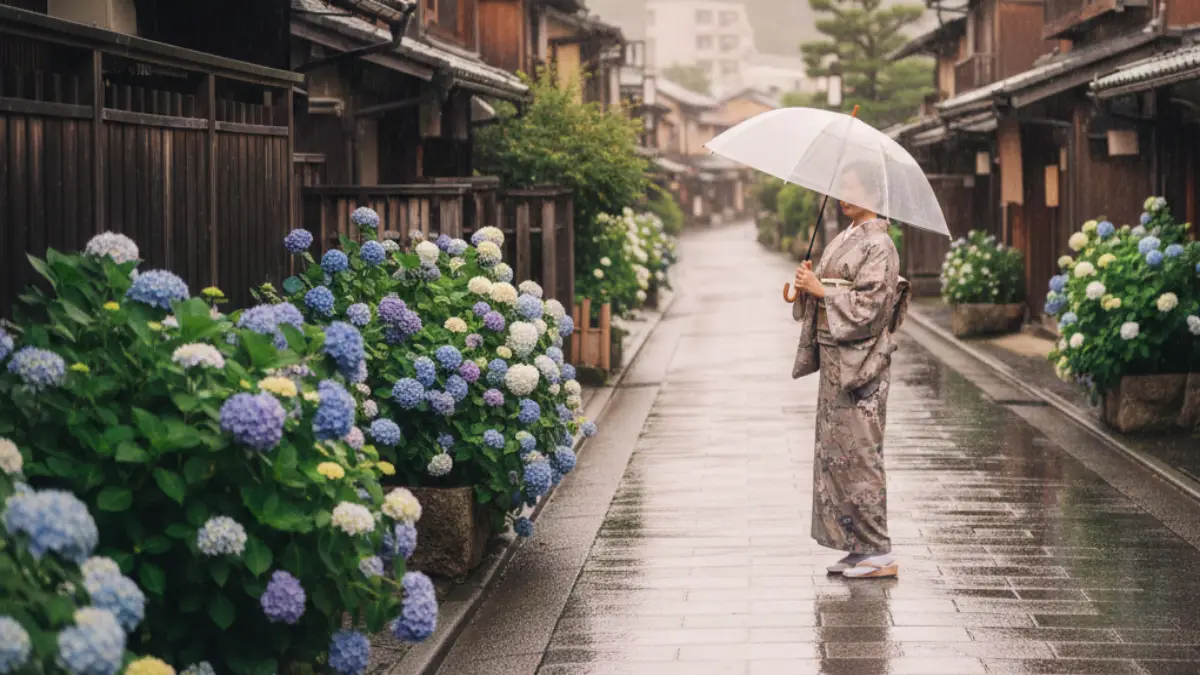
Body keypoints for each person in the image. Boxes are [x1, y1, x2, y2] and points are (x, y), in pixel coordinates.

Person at [790, 162, 902, 579]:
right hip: (836, 361)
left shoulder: (880, 245)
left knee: (862, 453)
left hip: (861, 365)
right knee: (837, 455)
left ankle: (879, 551)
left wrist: (823, 292)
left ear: (871, 193)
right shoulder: (845, 237)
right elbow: (826, 291)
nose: (841, 195)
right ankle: (856, 546)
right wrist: (807, 286)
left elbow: (872, 306)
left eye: (850, 188)